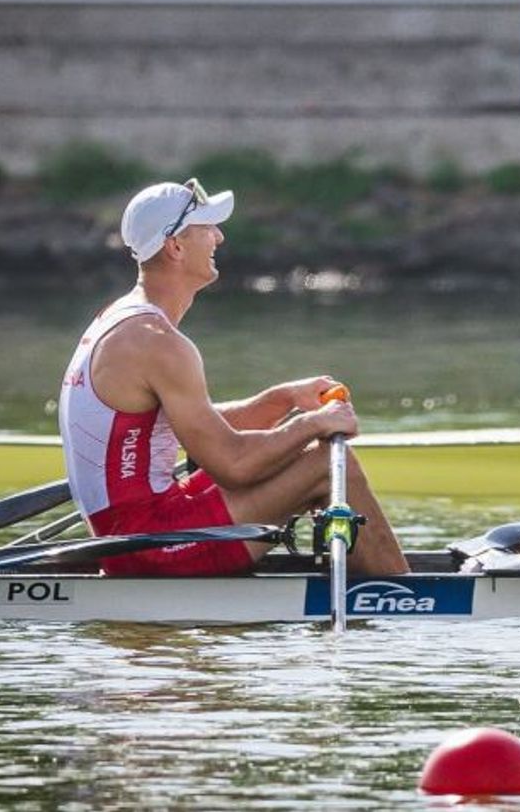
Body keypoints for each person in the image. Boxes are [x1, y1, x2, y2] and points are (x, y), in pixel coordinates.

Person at [57, 177, 409, 577]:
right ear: (175, 247)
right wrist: (313, 424)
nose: (219, 237)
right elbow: (234, 465)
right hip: (148, 547)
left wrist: (284, 399)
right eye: (207, 227)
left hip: (134, 533)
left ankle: (371, 582)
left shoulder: (122, 320)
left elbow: (195, 427)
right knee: (327, 464)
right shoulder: (155, 342)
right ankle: (406, 597)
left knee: (301, 456)